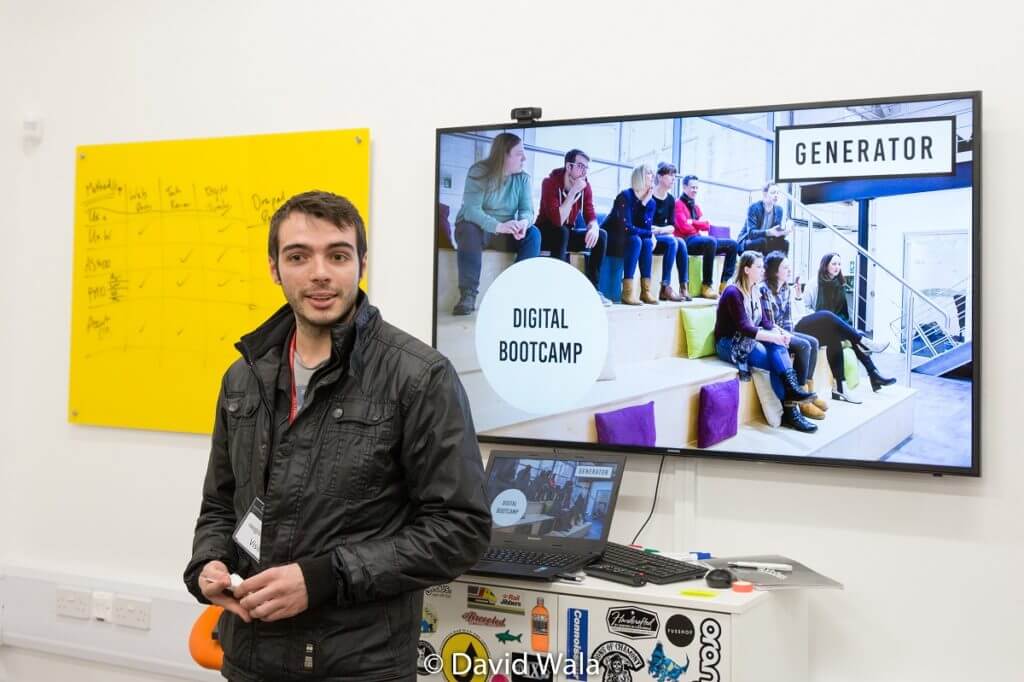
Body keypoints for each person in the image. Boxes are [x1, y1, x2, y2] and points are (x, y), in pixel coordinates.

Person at [184, 191, 491, 681]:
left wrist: (324, 578)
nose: (319, 273)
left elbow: (461, 529)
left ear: (361, 264)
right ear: (274, 268)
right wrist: (210, 565)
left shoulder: (418, 377)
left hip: (358, 666)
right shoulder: (243, 379)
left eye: (338, 255)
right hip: (249, 659)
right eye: (299, 256)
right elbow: (221, 505)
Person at [713, 250, 819, 433]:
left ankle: (792, 394)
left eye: (763, 266)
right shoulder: (732, 292)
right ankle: (791, 412)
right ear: (746, 269)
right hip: (729, 343)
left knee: (778, 345)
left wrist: (782, 334)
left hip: (747, 338)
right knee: (773, 359)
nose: (763, 270)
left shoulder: (757, 289)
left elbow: (766, 322)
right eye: (759, 266)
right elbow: (745, 327)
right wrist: (774, 337)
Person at [452, 132, 541, 315]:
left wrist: (523, 223)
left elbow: (528, 210)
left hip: (504, 232)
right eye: (519, 153)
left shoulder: (523, 178)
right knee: (468, 229)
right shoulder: (479, 171)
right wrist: (499, 226)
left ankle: (517, 293)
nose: (524, 158)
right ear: (504, 154)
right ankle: (468, 295)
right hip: (478, 229)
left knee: (534, 234)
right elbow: (471, 210)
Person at [799, 252, 896, 400]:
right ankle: (872, 371)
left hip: (833, 326)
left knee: (848, 335)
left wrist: (845, 329)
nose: (837, 267)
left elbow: (843, 313)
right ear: (825, 265)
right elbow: (805, 308)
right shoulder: (814, 283)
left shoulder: (839, 284)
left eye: (839, 264)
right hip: (816, 324)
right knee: (846, 331)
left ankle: (867, 375)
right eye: (834, 264)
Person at [536, 148, 611, 305]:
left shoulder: (585, 186)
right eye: (580, 166)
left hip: (566, 233)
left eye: (586, 168)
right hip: (546, 232)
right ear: (568, 167)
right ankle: (559, 289)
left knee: (602, 235)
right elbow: (558, 220)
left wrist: (594, 227)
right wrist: (572, 194)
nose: (584, 172)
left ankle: (593, 289)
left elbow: (590, 214)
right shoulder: (549, 183)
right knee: (562, 231)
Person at [760, 252, 829, 420]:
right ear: (775, 271)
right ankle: (801, 401)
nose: (789, 270)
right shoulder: (764, 289)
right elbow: (769, 322)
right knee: (803, 345)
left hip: (784, 330)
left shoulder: (785, 287)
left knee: (813, 341)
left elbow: (787, 319)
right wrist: (788, 338)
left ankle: (806, 391)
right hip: (771, 332)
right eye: (785, 267)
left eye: (789, 267)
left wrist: (790, 335)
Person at [603, 164, 675, 305]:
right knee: (637, 240)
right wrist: (650, 233)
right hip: (612, 237)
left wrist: (644, 203)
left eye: (653, 173)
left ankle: (645, 291)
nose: (652, 176)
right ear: (639, 176)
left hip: (629, 238)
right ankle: (627, 292)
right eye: (649, 173)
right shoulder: (625, 196)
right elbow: (627, 228)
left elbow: (643, 226)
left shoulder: (651, 202)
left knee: (646, 242)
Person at [673, 174, 738, 299]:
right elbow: (683, 227)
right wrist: (696, 225)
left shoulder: (696, 206)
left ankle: (723, 284)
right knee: (710, 241)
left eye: (697, 188)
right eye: (692, 187)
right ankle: (706, 286)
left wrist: (692, 222)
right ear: (684, 187)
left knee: (733, 245)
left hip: (697, 239)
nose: (695, 190)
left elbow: (706, 225)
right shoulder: (678, 204)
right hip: (686, 241)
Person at [650, 162, 690, 301]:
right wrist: (659, 231)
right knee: (673, 241)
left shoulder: (671, 199)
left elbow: (672, 226)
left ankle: (683, 286)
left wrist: (661, 229)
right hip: (651, 238)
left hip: (662, 234)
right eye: (670, 175)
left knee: (681, 243)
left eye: (674, 175)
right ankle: (665, 287)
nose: (673, 178)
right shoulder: (650, 195)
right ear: (660, 177)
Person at [738, 182, 791, 255]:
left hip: (766, 241)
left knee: (785, 243)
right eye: (773, 193)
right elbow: (751, 233)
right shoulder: (754, 207)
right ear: (765, 194)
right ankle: (765, 265)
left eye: (778, 193)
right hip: (748, 241)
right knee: (762, 241)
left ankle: (781, 265)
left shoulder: (779, 210)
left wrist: (784, 232)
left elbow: (775, 232)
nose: (776, 195)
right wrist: (768, 232)